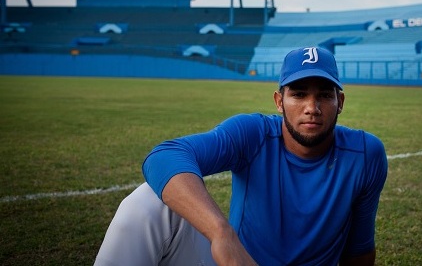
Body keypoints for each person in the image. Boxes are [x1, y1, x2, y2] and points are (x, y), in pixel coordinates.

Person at [94, 46, 389, 266]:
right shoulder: (253, 134)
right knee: (149, 200)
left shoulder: (365, 153)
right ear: (279, 101)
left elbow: (359, 249)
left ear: (340, 102)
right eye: (298, 94)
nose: (312, 107)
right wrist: (222, 234)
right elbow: (165, 155)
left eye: (324, 95)